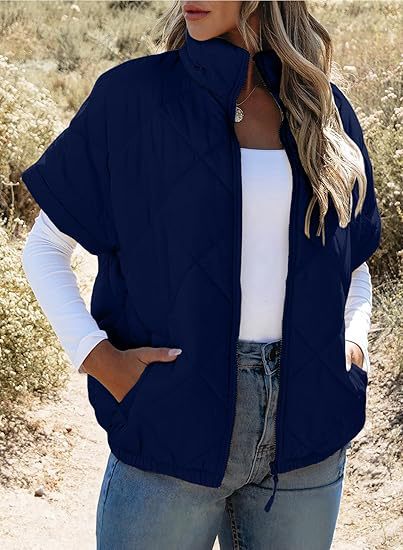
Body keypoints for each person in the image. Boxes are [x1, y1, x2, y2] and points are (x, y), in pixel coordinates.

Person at [21, 1, 381, 548]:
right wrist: (100, 361)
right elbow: (45, 247)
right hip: (171, 421)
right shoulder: (133, 97)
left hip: (309, 433)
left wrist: (353, 342)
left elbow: (351, 261)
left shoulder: (323, 110)